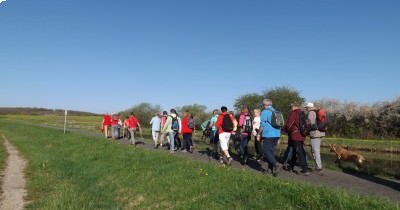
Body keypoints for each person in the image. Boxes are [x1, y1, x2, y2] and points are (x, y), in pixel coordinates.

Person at [257, 99, 282, 176]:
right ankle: (270, 169)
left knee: (266, 151)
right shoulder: (276, 112)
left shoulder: (265, 112)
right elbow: (280, 124)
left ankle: (276, 164)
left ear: (264, 104)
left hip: (268, 134)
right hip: (276, 134)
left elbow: (262, 124)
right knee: (271, 152)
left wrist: (258, 133)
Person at [284, 102, 309, 175]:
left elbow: (289, 124)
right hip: (301, 134)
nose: (290, 108)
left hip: (295, 134)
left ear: (294, 106)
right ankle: (291, 166)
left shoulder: (294, 113)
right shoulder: (302, 113)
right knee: (295, 150)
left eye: (291, 106)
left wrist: (284, 130)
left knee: (299, 151)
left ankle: (305, 169)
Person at [306, 102, 325, 175]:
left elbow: (310, 123)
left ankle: (319, 167)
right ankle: (318, 166)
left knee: (315, 151)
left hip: (315, 134)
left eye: (307, 107)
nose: (306, 109)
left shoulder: (311, 113)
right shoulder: (317, 112)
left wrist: (306, 130)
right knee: (314, 150)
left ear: (309, 107)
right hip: (320, 133)